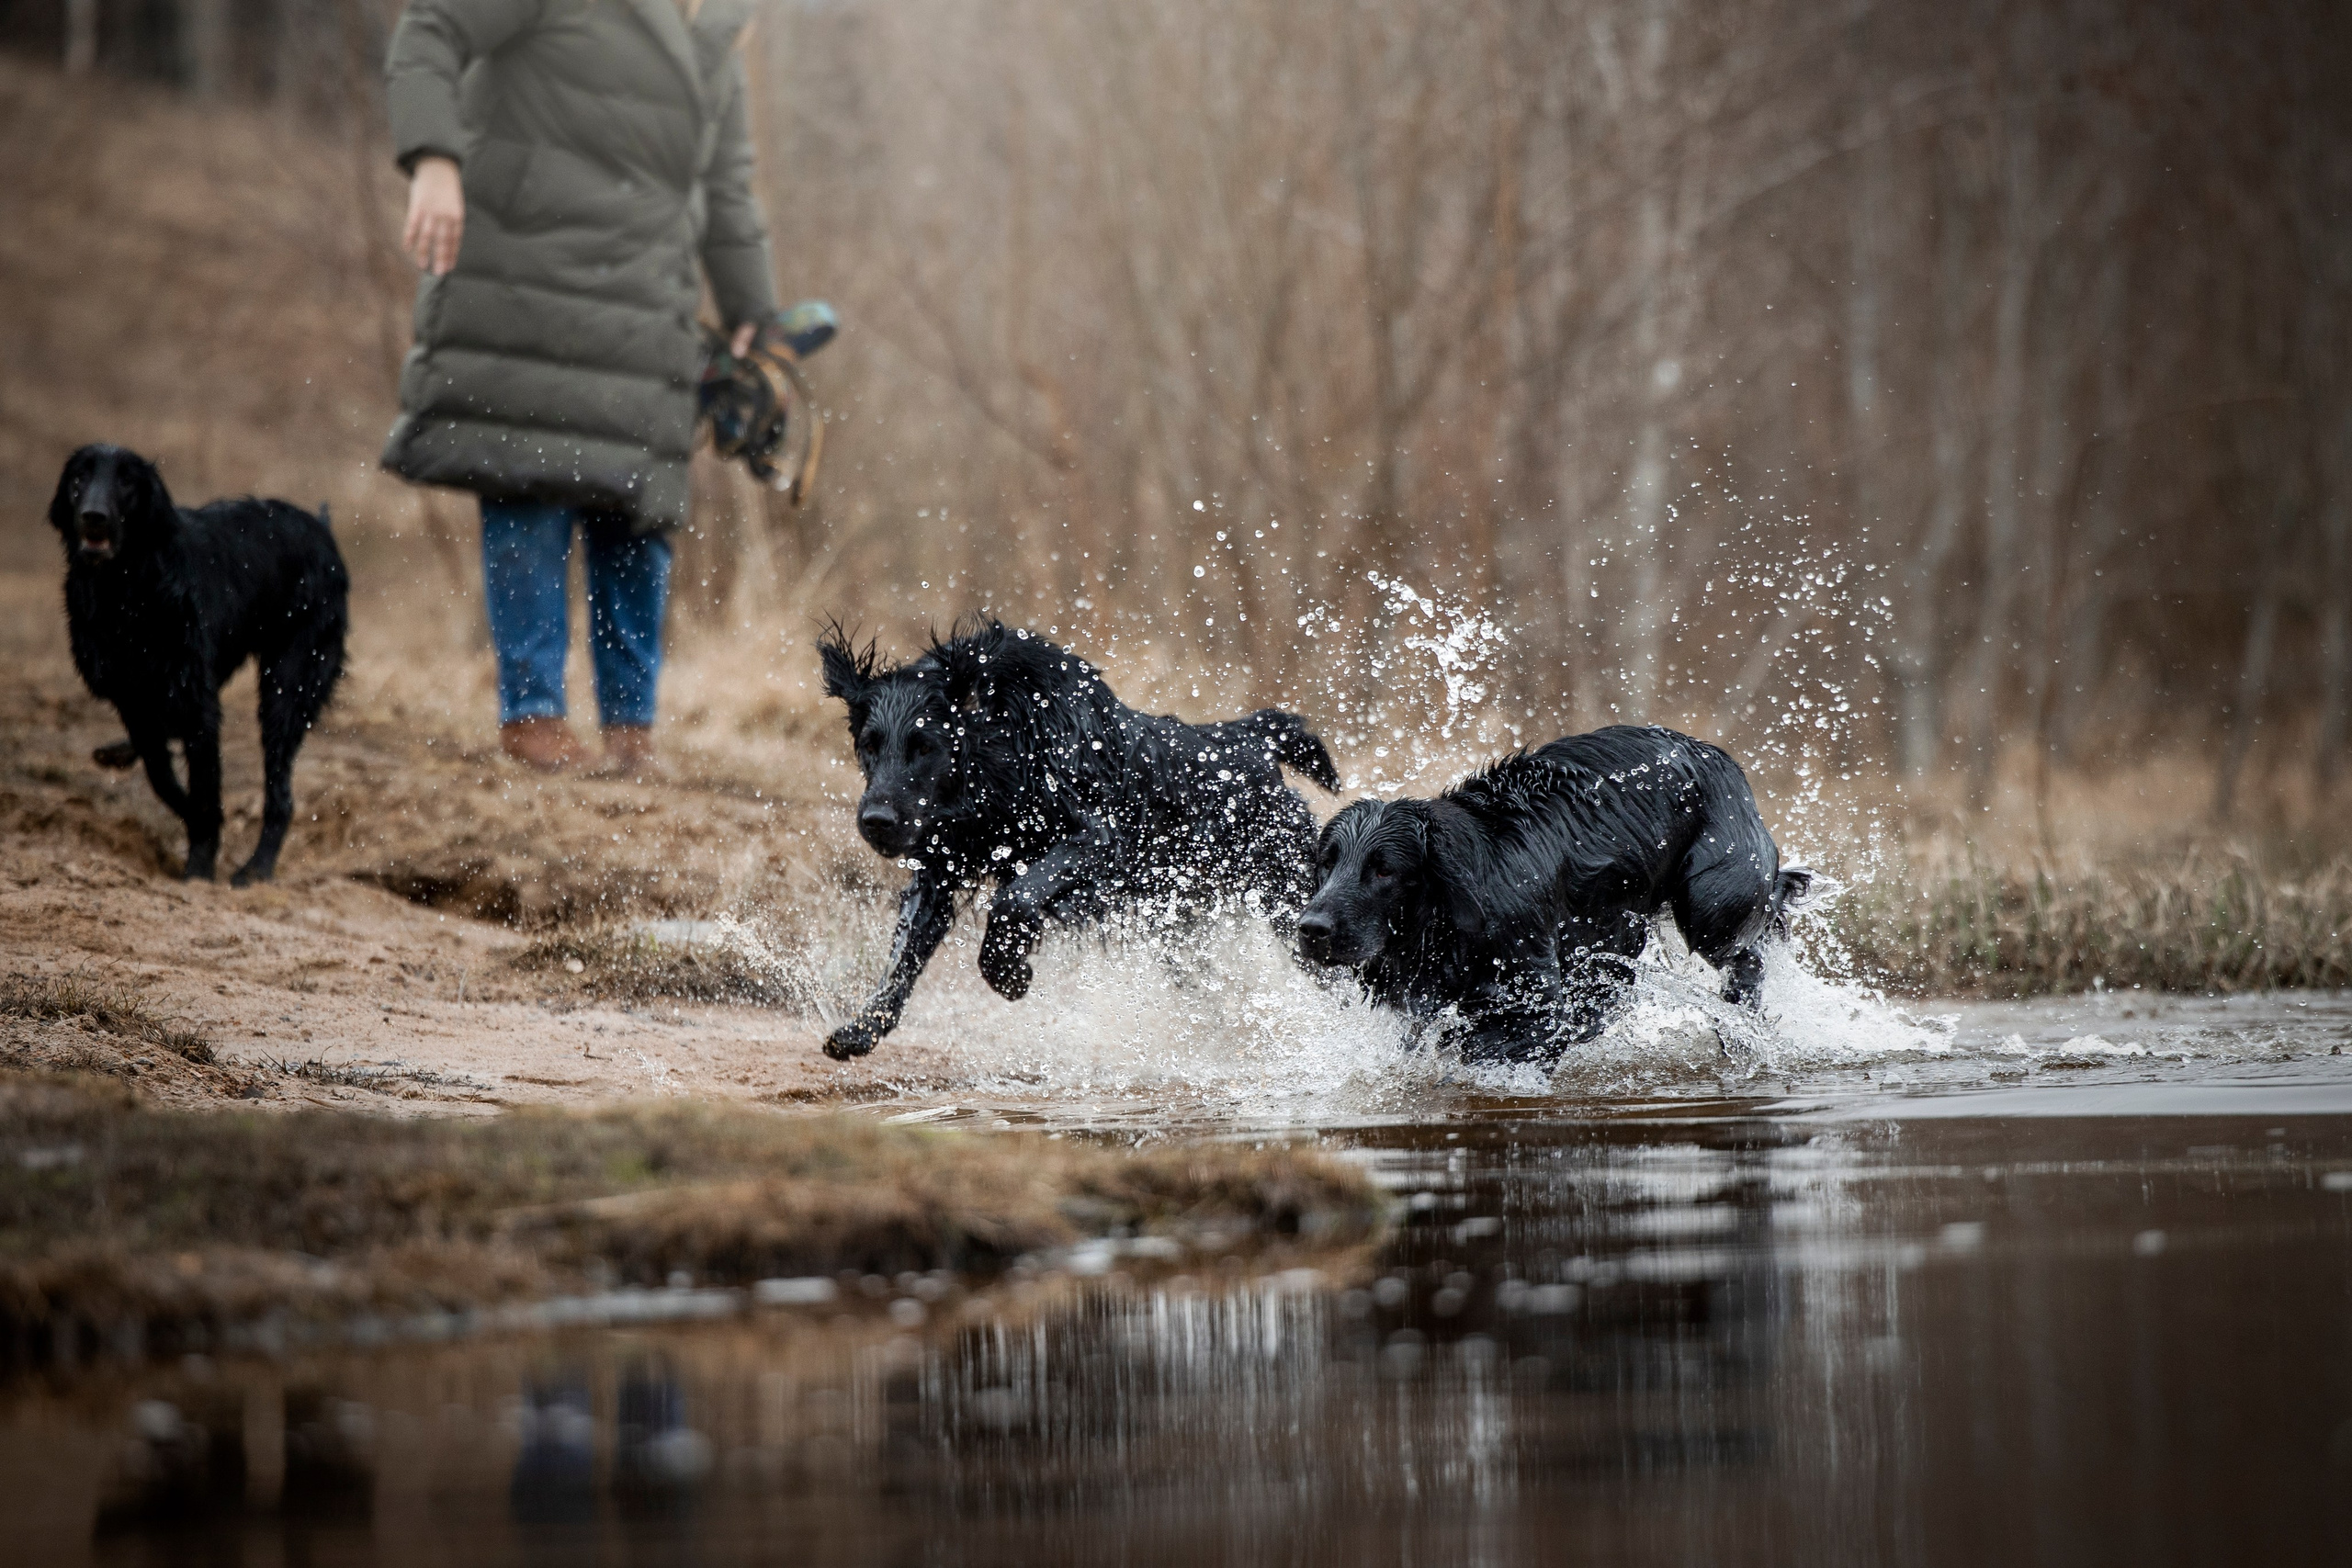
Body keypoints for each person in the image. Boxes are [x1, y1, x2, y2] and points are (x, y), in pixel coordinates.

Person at [381, 0, 779, 775]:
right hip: (533, 280)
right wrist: (433, 158)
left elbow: (726, 190)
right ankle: (532, 718)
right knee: (529, 485)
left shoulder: (717, 33)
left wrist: (752, 314)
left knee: (635, 508)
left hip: (646, 308)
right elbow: (431, 29)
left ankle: (632, 734)